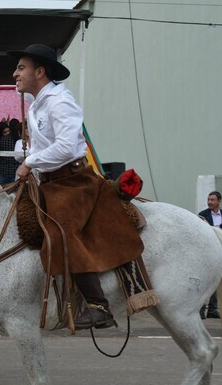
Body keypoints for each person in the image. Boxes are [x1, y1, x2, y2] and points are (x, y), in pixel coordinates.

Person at [10, 43, 143, 330]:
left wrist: (31, 161)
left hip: (74, 182)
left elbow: (67, 147)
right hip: (50, 181)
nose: (15, 74)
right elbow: (45, 146)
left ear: (40, 71)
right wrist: (27, 154)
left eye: (21, 68)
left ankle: (98, 306)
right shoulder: (37, 105)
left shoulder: (60, 101)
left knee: (61, 231)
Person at [197, 191, 222, 318]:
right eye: (208, 199)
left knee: (215, 281)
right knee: (204, 280)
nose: (209, 202)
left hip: (220, 252)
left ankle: (212, 309)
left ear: (219, 201)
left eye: (212, 200)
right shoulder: (202, 215)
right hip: (206, 252)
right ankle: (200, 309)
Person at [0, 118, 21, 185]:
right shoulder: (19, 141)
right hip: (15, 171)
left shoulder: (1, 140)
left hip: (3, 171)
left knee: (3, 193)